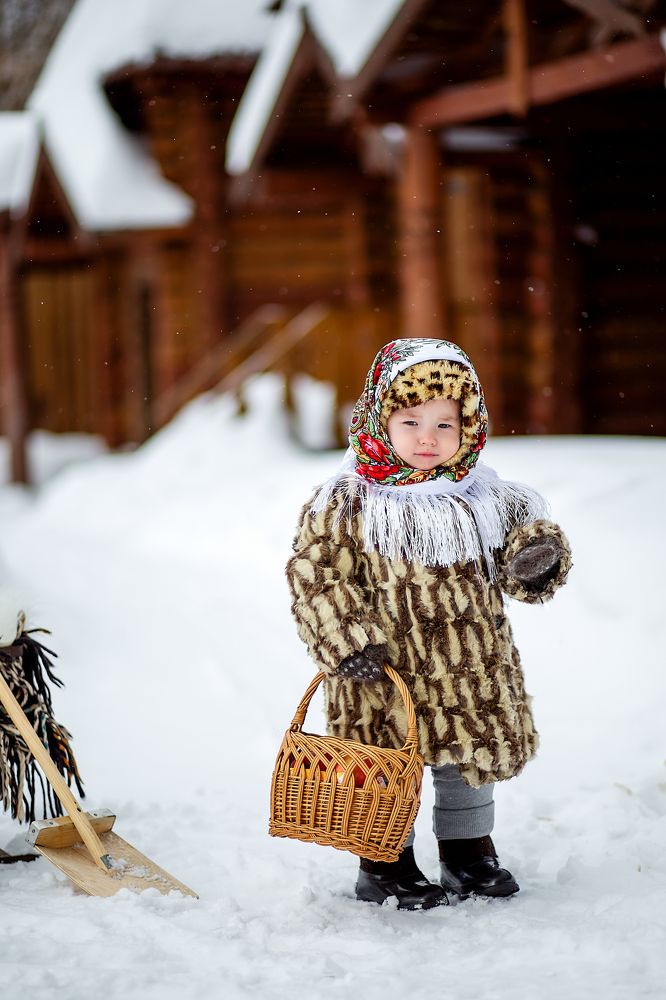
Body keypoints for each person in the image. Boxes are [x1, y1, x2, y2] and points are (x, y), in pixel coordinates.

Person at [285, 338, 572, 910]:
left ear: (470, 425)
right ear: (376, 419)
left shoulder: (488, 497)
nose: (427, 438)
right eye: (411, 421)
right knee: (386, 763)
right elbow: (315, 575)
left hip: (469, 664)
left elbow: (520, 564)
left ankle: (469, 853)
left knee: (468, 759)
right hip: (380, 669)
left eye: (446, 424)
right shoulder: (349, 502)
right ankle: (383, 861)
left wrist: (532, 559)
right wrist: (347, 639)